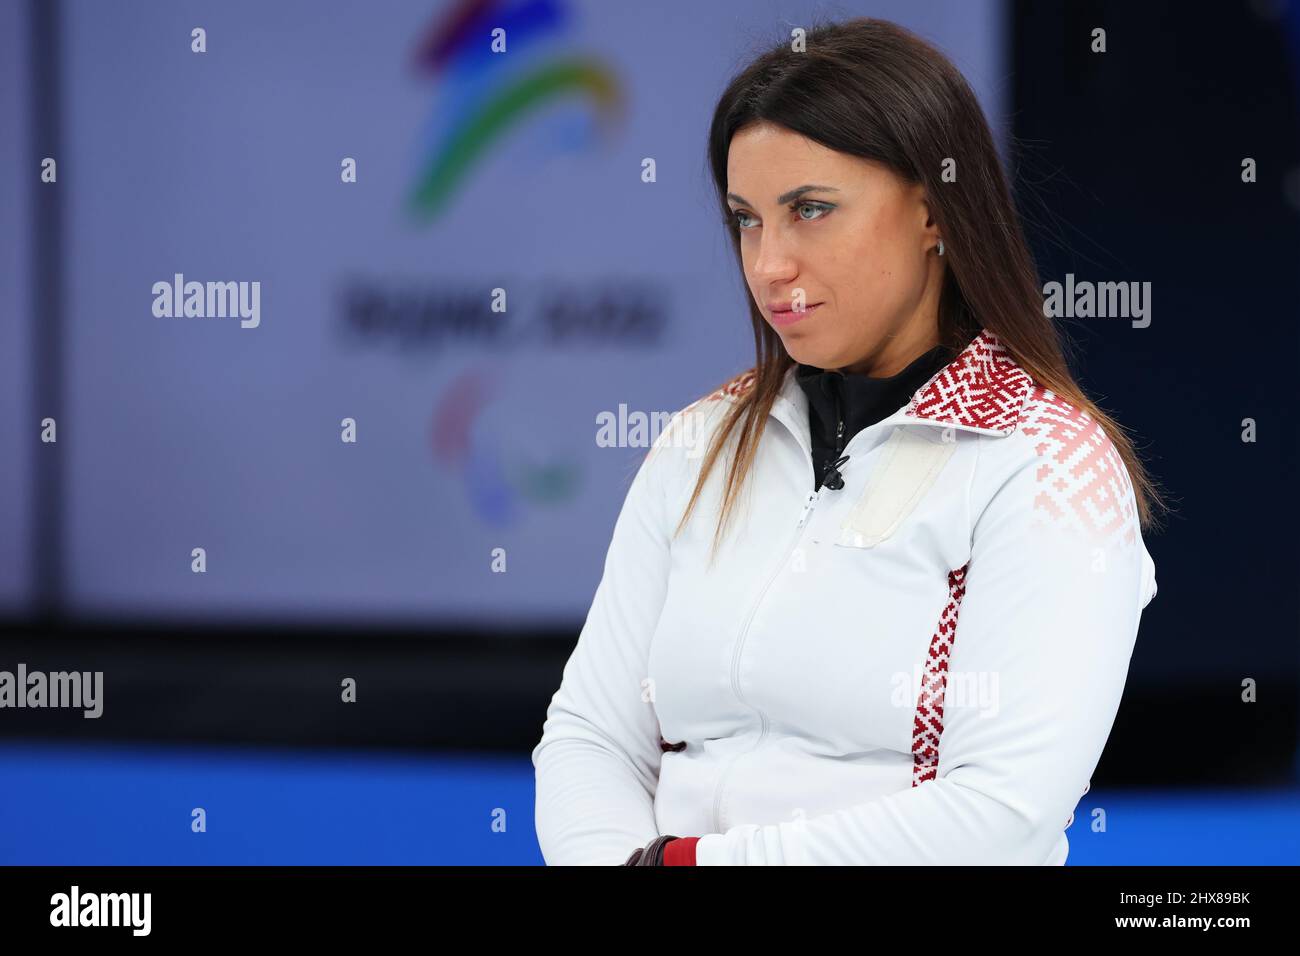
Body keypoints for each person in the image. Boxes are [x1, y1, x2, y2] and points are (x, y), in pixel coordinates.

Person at [531, 17, 1165, 865]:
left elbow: (1003, 810)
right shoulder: (699, 443)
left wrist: (692, 866)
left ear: (935, 209)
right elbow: (589, 735)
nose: (768, 264)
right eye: (747, 219)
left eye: (812, 210)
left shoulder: (1047, 464)